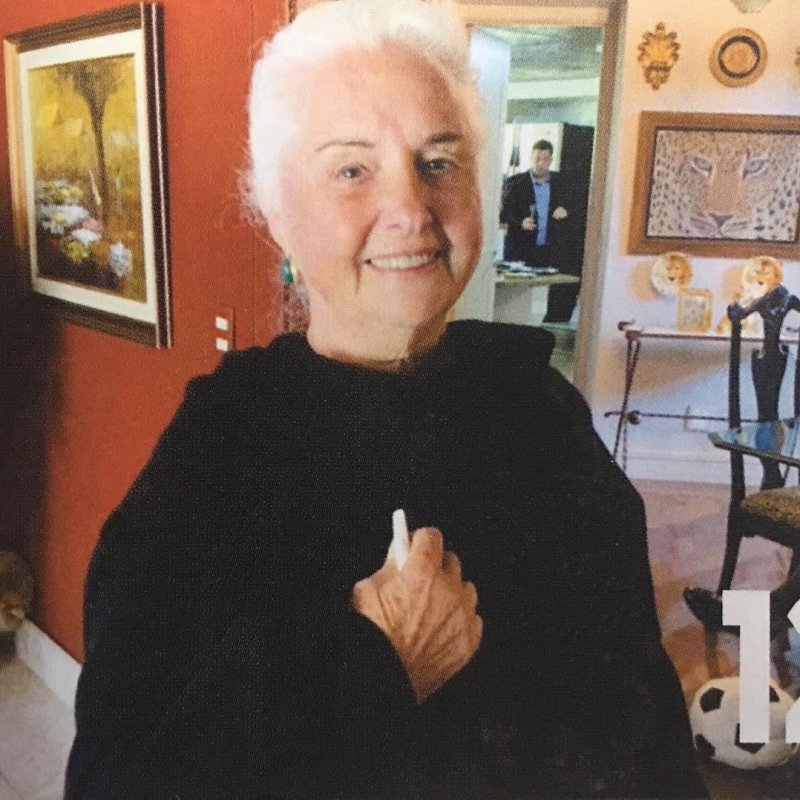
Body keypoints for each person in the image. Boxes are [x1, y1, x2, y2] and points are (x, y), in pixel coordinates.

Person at [65, 1, 706, 797]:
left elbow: (640, 714)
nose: (410, 209)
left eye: (438, 161)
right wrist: (372, 664)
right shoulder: (223, 452)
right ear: (277, 212)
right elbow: (117, 779)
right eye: (351, 170)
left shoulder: (541, 409)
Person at [499, 139, 580, 323]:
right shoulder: (516, 183)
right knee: (519, 297)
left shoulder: (561, 182)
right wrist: (520, 222)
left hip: (549, 248)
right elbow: (503, 214)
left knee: (553, 292)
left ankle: (549, 323)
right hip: (522, 248)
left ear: (551, 160)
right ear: (531, 158)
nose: (540, 164)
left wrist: (565, 210)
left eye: (544, 159)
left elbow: (577, 206)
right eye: (537, 159)